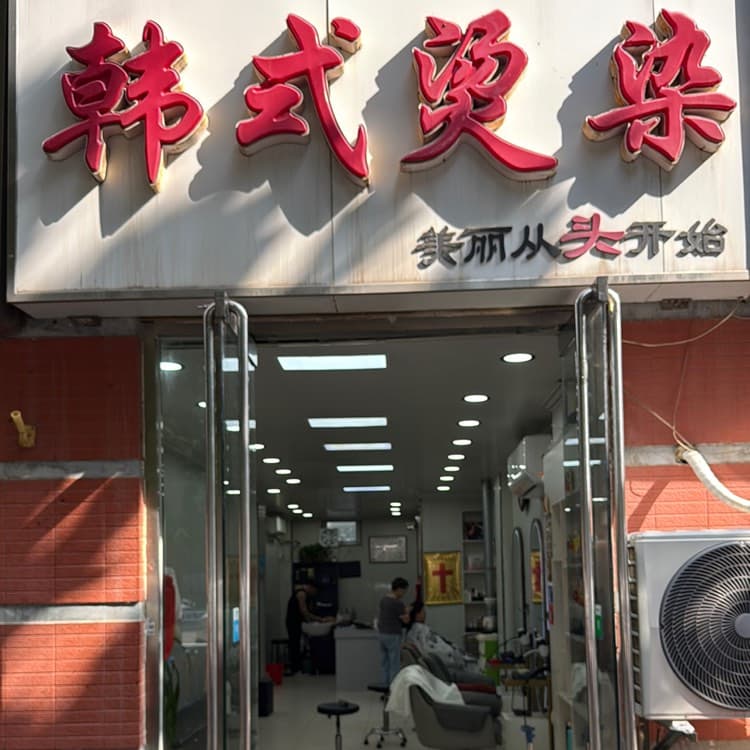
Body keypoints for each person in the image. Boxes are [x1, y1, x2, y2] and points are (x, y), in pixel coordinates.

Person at [405, 600, 479, 673]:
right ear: (417, 615)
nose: (425, 613)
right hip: (446, 666)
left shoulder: (412, 632)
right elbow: (429, 651)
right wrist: (452, 652)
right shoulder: (421, 631)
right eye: (422, 611)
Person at [285, 577, 331, 674]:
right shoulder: (301, 594)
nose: (315, 593)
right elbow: (304, 612)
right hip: (293, 623)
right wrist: (320, 619)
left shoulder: (307, 596)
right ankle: (295, 668)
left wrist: (313, 620)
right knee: (295, 644)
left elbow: (307, 613)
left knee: (297, 644)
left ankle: (297, 668)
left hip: (298, 622)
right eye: (315, 591)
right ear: (311, 587)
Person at [377, 577, 410, 685]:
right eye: (404, 591)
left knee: (384, 663)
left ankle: (384, 686)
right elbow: (406, 620)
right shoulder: (397, 603)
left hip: (382, 634)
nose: (404, 594)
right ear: (399, 589)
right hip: (393, 635)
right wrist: (407, 611)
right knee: (394, 664)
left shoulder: (383, 600)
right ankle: (393, 688)